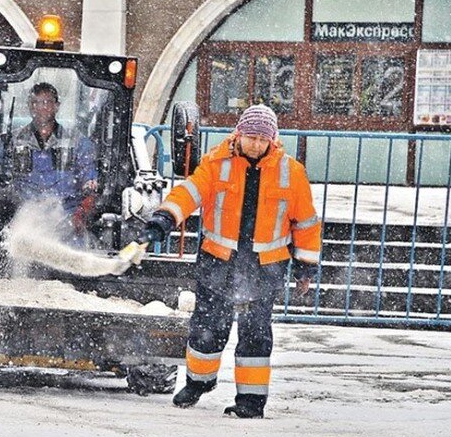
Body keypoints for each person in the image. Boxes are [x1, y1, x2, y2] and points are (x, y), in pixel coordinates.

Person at [131, 104, 321, 418]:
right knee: (206, 329)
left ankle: (251, 401)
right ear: (239, 134)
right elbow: (189, 193)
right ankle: (198, 382)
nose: (256, 145)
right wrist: (163, 219)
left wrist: (306, 267)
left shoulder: (291, 172)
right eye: (251, 137)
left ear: (272, 139)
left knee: (256, 335)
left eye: (263, 139)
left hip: (264, 269)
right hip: (218, 264)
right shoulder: (216, 163)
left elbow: (306, 224)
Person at [0, 82, 98, 221]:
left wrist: (88, 186)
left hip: (65, 217)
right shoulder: (11, 142)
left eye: (47, 102)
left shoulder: (77, 142)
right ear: (29, 106)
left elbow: (88, 173)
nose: (41, 108)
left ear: (57, 106)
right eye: (35, 103)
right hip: (22, 217)